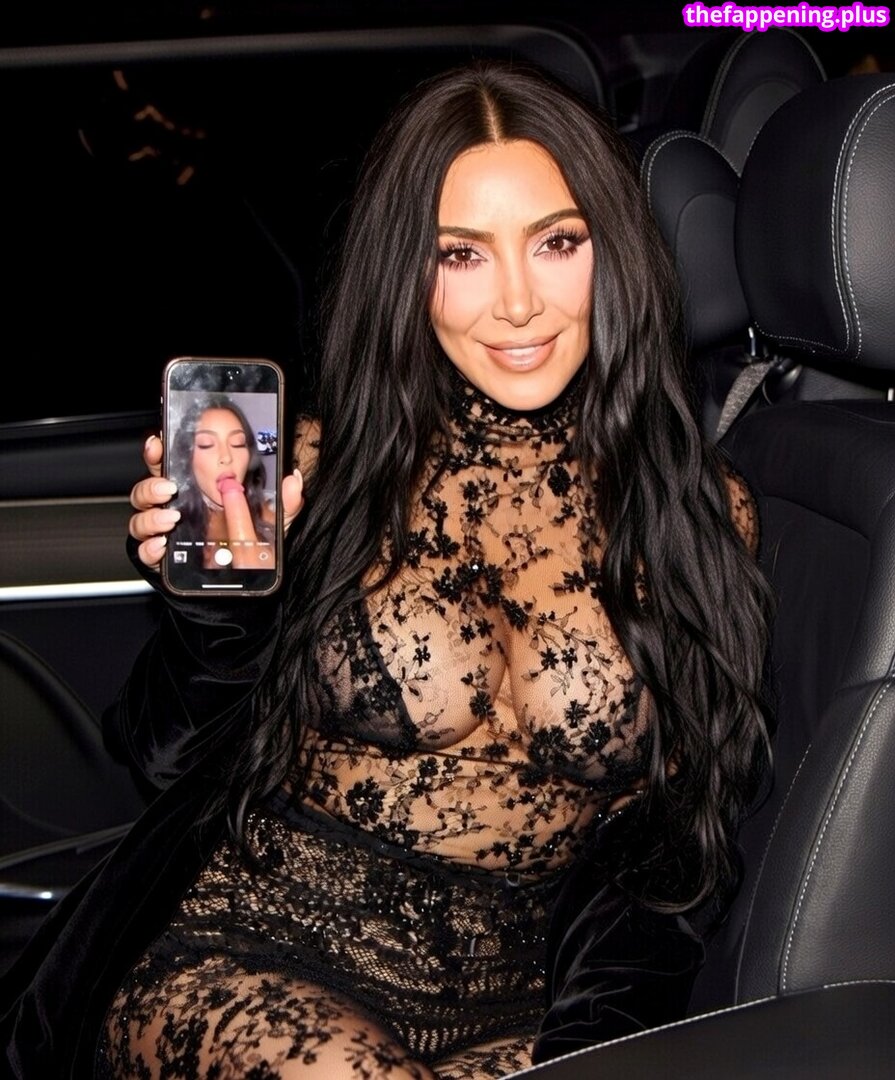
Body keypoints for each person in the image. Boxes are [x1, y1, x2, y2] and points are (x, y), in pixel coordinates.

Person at [1, 59, 774, 1079]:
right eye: (461, 254)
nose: (517, 303)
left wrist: (594, 1029)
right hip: (252, 951)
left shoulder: (697, 510)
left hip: (518, 999)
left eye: (556, 242)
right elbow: (166, 758)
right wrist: (215, 615)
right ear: (406, 271)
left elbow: (673, 842)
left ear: (613, 250)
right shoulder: (317, 472)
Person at [167, 393, 276, 569]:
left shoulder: (277, 517)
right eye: (206, 444)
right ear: (187, 458)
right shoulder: (170, 522)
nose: (226, 457)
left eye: (238, 443)